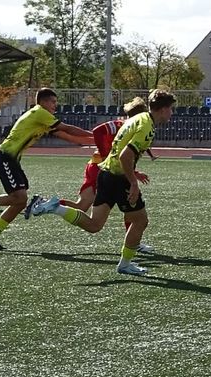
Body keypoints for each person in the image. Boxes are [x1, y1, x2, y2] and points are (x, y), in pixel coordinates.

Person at [31, 89, 177, 276]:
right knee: (141, 221)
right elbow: (125, 156)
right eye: (171, 109)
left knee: (94, 225)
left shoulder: (138, 118)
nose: (172, 113)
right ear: (163, 109)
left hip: (105, 174)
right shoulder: (147, 127)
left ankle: (56, 208)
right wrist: (133, 182)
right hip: (118, 178)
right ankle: (125, 264)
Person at [0, 87, 93, 250]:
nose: (55, 105)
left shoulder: (43, 117)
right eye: (53, 102)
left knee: (20, 202)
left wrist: (95, 140)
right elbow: (67, 128)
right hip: (5, 157)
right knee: (18, 198)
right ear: (43, 102)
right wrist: (94, 134)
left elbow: (67, 136)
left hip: (12, 160)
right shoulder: (40, 112)